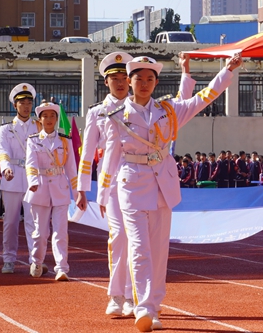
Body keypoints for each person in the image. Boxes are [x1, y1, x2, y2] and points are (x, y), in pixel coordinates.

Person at [94, 53, 243, 333]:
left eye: (150, 79)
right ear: (130, 80)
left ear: (156, 82)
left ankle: (153, 307)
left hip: (163, 185)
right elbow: (111, 156)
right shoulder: (115, 117)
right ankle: (143, 308)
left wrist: (225, 71)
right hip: (131, 186)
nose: (145, 84)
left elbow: (204, 98)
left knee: (159, 250)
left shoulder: (168, 110)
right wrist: (103, 194)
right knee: (139, 248)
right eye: (139, 79)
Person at [77, 51, 195, 316]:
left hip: (144, 179)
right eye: (114, 78)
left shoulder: (149, 108)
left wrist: (186, 74)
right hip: (113, 183)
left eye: (123, 77)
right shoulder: (98, 113)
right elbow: (87, 153)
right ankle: (117, 294)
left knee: (139, 241)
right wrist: (83, 188)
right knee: (120, 237)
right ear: (105, 82)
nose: (120, 83)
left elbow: (180, 105)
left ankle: (134, 297)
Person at [25, 100, 78, 282]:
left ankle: (62, 267)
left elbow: (71, 168)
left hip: (60, 188)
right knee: (40, 233)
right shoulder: (33, 141)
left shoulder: (65, 141)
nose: (49, 119)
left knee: (60, 231)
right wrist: (32, 182)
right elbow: (30, 164)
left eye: (52, 116)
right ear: (39, 120)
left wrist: (78, 193)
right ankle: (37, 260)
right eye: (45, 116)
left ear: (56, 119)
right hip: (39, 188)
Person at [0, 83, 40, 274]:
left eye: (29, 102)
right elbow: (3, 151)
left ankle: (35, 260)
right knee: (11, 222)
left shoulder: (38, 126)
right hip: (12, 177)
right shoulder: (6, 129)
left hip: (32, 179)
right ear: (15, 105)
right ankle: (9, 259)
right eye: (22, 102)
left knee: (34, 222)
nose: (26, 106)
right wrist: (5, 168)